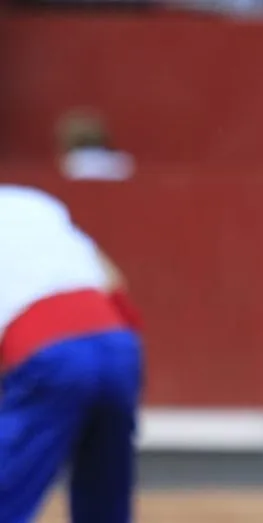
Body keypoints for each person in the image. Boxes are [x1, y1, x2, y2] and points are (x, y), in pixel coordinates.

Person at [0, 184, 144, 523]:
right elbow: (113, 280)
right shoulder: (37, 202)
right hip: (118, 341)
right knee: (104, 498)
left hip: (46, 349)